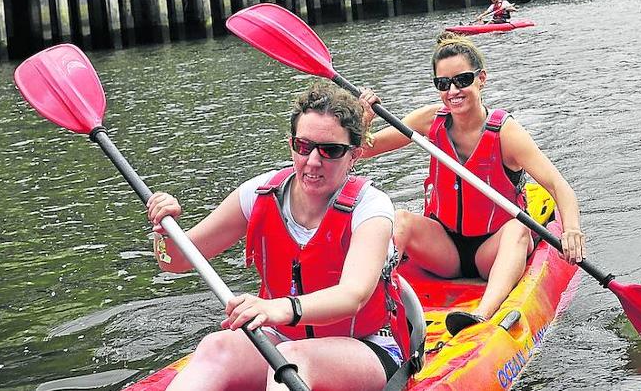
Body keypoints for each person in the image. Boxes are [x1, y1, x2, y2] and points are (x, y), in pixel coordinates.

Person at [144, 82, 422, 391]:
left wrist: (277, 308)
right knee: (215, 347)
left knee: (292, 361)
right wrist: (164, 232)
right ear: (291, 144)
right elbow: (175, 262)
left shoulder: (371, 207)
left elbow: (352, 296)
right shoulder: (259, 194)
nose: (313, 161)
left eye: (330, 151)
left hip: (365, 346)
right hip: (283, 338)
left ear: (354, 155)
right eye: (303, 147)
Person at [357, 32, 585, 336]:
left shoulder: (505, 133)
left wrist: (571, 231)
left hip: (491, 250)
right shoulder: (429, 120)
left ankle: (482, 314)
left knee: (520, 227)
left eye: (462, 80)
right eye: (443, 84)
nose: (453, 90)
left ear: (481, 79)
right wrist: (364, 120)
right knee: (400, 220)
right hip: (445, 248)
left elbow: (559, 187)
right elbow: (364, 149)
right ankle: (368, 301)